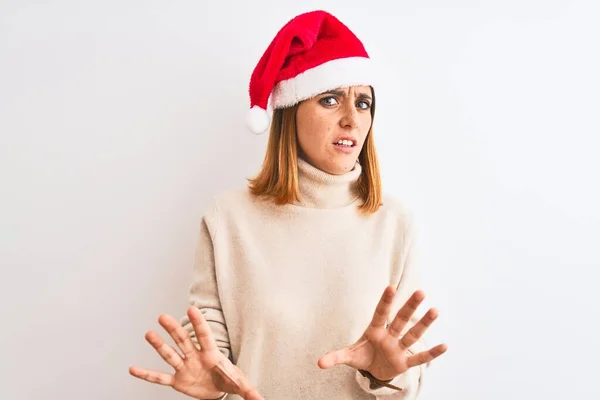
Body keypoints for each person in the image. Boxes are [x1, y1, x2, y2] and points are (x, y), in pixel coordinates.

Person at [129, 9, 448, 400]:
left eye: (363, 103)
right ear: (290, 112)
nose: (352, 119)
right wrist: (213, 380)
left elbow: (406, 363)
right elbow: (210, 343)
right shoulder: (228, 218)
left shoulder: (394, 224)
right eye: (330, 99)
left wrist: (385, 377)